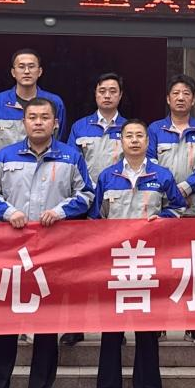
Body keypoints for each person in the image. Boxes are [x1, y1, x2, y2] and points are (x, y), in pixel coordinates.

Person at [0, 98, 94, 388]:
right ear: (24, 123)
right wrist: (9, 212)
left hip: (51, 253)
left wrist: (60, 211)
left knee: (47, 325)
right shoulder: (5, 156)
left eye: (45, 117)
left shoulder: (70, 157)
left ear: (56, 123)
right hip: (11, 252)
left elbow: (87, 194)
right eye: (33, 117)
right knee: (6, 324)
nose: (39, 122)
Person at [91, 119, 185, 388]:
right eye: (128, 136)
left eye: (139, 136)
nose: (134, 140)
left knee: (147, 332)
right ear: (120, 141)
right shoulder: (107, 176)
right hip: (115, 263)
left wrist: (163, 219)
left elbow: (178, 208)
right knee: (111, 332)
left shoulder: (162, 175)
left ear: (147, 141)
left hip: (148, 262)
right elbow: (95, 218)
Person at [146, 74, 195, 345]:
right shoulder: (155, 129)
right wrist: (171, 191)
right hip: (162, 209)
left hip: (194, 209)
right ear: (167, 98)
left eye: (186, 93)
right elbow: (150, 163)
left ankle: (194, 325)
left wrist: (185, 188)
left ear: (193, 100)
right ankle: (158, 323)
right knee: (160, 267)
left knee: (194, 269)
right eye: (175, 93)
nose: (180, 98)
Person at [61, 74, 124, 347]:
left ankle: (115, 329)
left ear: (120, 95)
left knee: (115, 268)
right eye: (102, 91)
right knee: (79, 270)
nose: (107, 95)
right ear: (95, 94)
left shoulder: (129, 128)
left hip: (116, 206)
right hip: (83, 206)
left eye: (112, 91)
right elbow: (70, 165)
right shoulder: (80, 127)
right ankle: (76, 326)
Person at [0, 48, 67, 159]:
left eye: (31, 66)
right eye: (21, 67)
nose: (27, 71)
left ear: (40, 71)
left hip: (44, 167)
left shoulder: (54, 102)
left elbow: (60, 142)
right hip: (7, 167)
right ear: (13, 72)